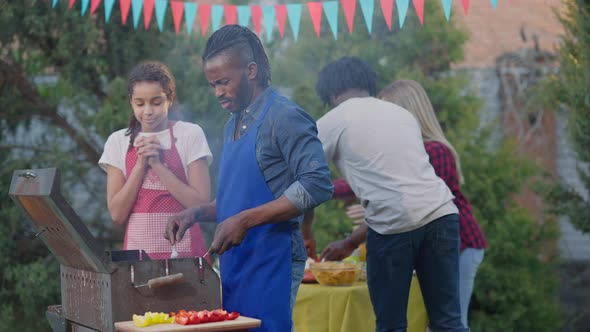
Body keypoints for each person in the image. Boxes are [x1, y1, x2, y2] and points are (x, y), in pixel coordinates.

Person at [164, 25, 333, 332]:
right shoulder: (233, 124)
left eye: (224, 82)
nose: (218, 92)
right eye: (212, 84)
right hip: (235, 264)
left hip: (273, 260)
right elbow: (236, 201)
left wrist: (244, 221)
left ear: (251, 70)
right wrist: (198, 213)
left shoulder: (284, 117)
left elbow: (317, 182)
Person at [313, 56, 467, 332]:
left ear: (332, 92)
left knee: (391, 325)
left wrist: (304, 231)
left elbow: (305, 177)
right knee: (448, 322)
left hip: (395, 229)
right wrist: (350, 242)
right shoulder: (401, 115)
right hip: (442, 216)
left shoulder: (331, 121)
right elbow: (398, 189)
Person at [380, 79, 487, 328]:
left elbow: (415, 201)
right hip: (441, 244)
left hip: (462, 244)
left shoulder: (434, 152)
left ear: (409, 112)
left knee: (450, 321)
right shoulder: (412, 150)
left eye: (389, 112)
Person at [98, 61, 212, 260]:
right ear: (131, 102)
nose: (148, 111)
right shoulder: (118, 142)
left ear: (170, 99)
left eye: (156, 102)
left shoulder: (189, 134)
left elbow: (201, 203)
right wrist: (141, 165)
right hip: (138, 261)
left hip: (186, 259)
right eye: (140, 103)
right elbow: (117, 214)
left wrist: (158, 166)